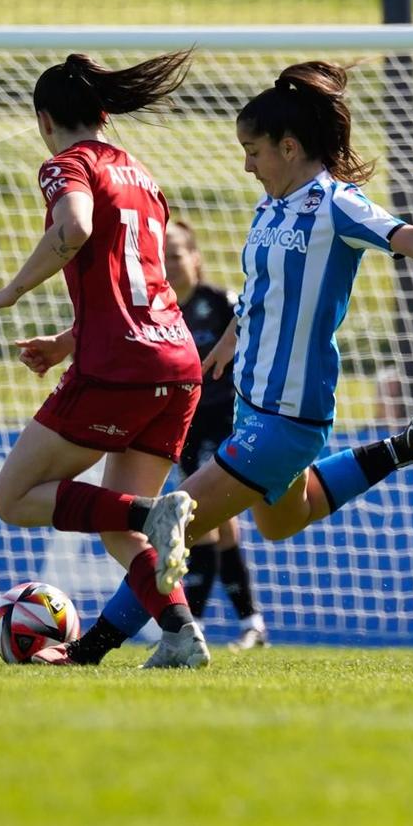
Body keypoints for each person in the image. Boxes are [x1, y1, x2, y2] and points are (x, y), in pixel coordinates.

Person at [56, 61, 413, 668]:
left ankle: (92, 651)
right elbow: (260, 290)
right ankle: (403, 447)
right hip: (254, 405)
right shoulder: (270, 210)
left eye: (254, 150)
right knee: (281, 521)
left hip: (291, 416)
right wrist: (229, 340)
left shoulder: (336, 205)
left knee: (171, 526)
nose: (247, 164)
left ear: (289, 147)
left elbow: (406, 239)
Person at [0, 50, 206, 659]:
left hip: (120, 367)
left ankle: (151, 510)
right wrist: (64, 342)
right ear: (105, 112)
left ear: (44, 120)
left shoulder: (66, 165)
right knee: (117, 529)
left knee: (14, 498)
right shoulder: (143, 177)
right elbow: (137, 287)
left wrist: (10, 291)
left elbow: (74, 230)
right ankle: (182, 635)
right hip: (178, 364)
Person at [163, 219, 270, 651]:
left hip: (227, 421)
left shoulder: (221, 303)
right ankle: (251, 623)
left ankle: (195, 623)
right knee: (220, 526)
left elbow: (255, 339)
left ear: (195, 258)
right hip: (183, 427)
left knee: (203, 517)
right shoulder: (159, 310)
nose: (168, 264)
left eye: (175, 254)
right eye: (161, 256)